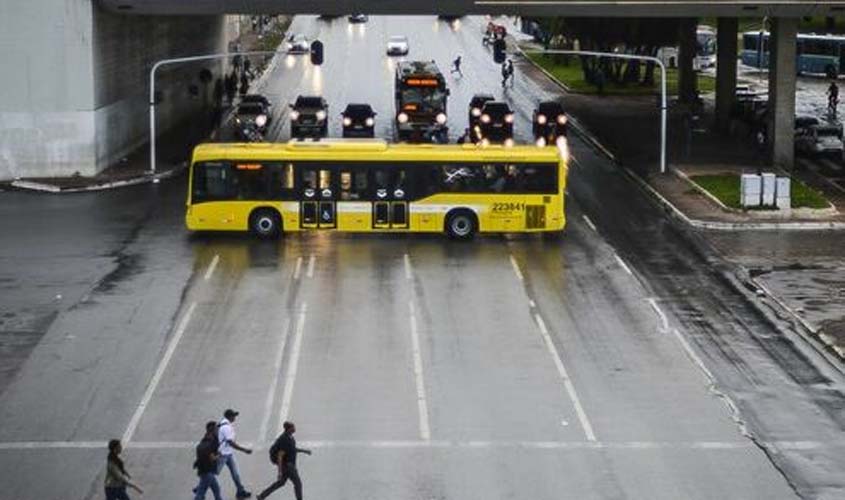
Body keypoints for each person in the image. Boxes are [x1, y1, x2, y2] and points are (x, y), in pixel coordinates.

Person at [256, 421, 312, 500]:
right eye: (293, 427)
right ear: (288, 429)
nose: (295, 428)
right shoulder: (284, 439)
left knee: (280, 483)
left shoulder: (290, 437)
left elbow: (292, 449)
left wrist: (304, 451)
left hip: (287, 466)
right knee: (298, 484)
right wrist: (279, 472)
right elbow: (280, 456)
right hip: (288, 466)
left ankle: (262, 496)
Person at [218, 409, 253, 499]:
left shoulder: (225, 425)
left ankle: (240, 491)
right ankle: (200, 489)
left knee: (235, 474)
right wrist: (244, 450)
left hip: (228, 454)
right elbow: (231, 443)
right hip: (223, 455)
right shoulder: (226, 427)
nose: (235, 417)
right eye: (234, 416)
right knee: (213, 473)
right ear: (229, 417)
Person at [194, 422, 223, 500]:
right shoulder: (210, 443)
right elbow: (212, 458)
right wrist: (219, 455)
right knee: (200, 494)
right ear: (212, 430)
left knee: (216, 490)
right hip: (207, 472)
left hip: (205, 471)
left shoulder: (205, 439)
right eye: (216, 429)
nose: (218, 430)